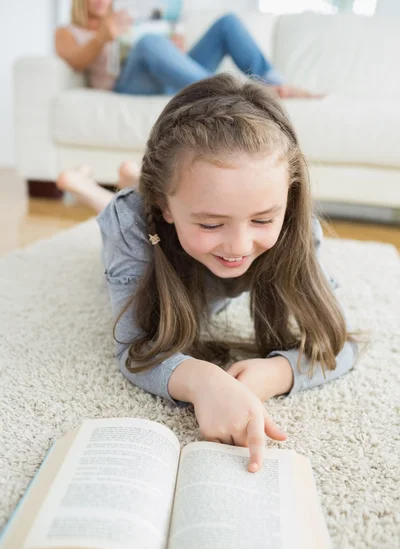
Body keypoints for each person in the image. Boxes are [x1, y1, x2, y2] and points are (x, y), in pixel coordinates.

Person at [65, 74, 359, 473]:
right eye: (210, 225)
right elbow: (132, 347)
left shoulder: (295, 227)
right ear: (164, 208)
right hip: (143, 222)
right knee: (119, 207)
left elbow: (338, 340)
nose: (239, 247)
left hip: (163, 199)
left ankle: (130, 178)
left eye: (262, 218)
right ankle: (85, 185)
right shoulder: (132, 224)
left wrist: (279, 372)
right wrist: (200, 380)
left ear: (286, 200)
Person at [55, 0, 324, 99]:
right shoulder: (67, 31)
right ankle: (235, 91)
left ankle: (276, 84)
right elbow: (76, 62)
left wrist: (172, 50)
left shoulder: (126, 18)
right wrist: (101, 36)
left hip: (170, 76)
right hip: (126, 84)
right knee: (147, 43)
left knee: (226, 24)